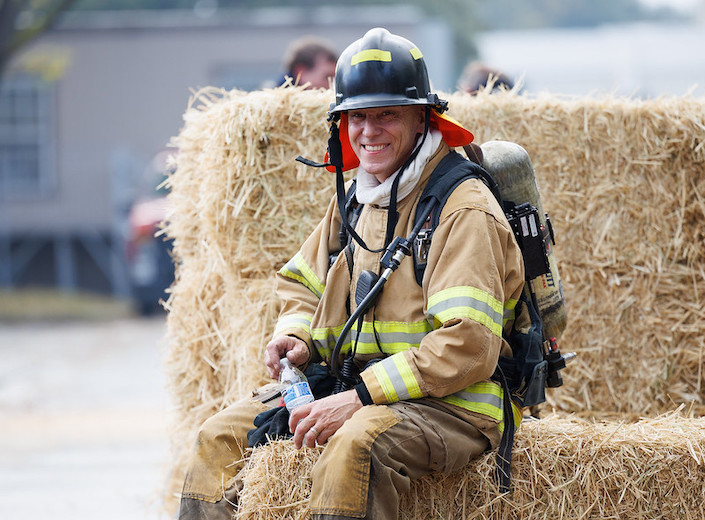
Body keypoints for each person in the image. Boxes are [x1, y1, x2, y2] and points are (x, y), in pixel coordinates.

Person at [177, 27, 525, 520]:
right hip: (353, 386)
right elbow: (303, 283)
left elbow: (468, 345)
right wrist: (296, 335)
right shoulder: (360, 198)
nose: (369, 131)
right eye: (357, 116)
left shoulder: (463, 209)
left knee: (353, 449)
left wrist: (360, 399)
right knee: (218, 439)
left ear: (424, 117)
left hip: (456, 404)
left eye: (387, 114)